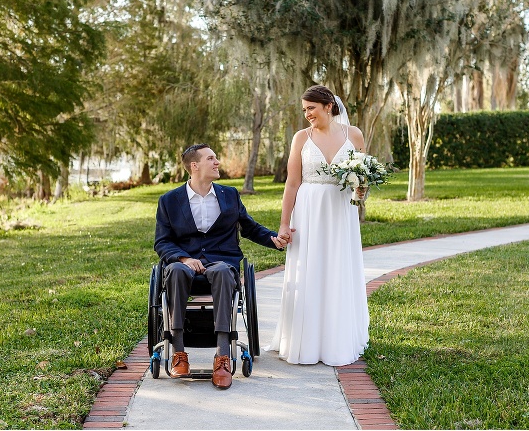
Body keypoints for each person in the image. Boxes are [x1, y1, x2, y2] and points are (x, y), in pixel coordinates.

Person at [154, 143, 289, 389]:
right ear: (194, 166)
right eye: (211, 158)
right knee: (173, 271)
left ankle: (223, 357)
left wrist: (274, 240)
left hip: (221, 262)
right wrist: (184, 258)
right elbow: (162, 242)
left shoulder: (229, 195)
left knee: (225, 273)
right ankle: (179, 354)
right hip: (185, 264)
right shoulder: (169, 201)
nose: (217, 162)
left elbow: (250, 227)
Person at [267, 85, 370, 366]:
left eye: (311, 108)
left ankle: (337, 339)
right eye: (304, 110)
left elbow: (362, 180)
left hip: (340, 211)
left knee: (338, 268)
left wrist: (361, 191)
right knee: (308, 269)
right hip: (309, 209)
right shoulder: (301, 138)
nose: (307, 114)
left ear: (328, 106)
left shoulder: (355, 135)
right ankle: (306, 341)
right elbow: (292, 182)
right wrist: (284, 223)